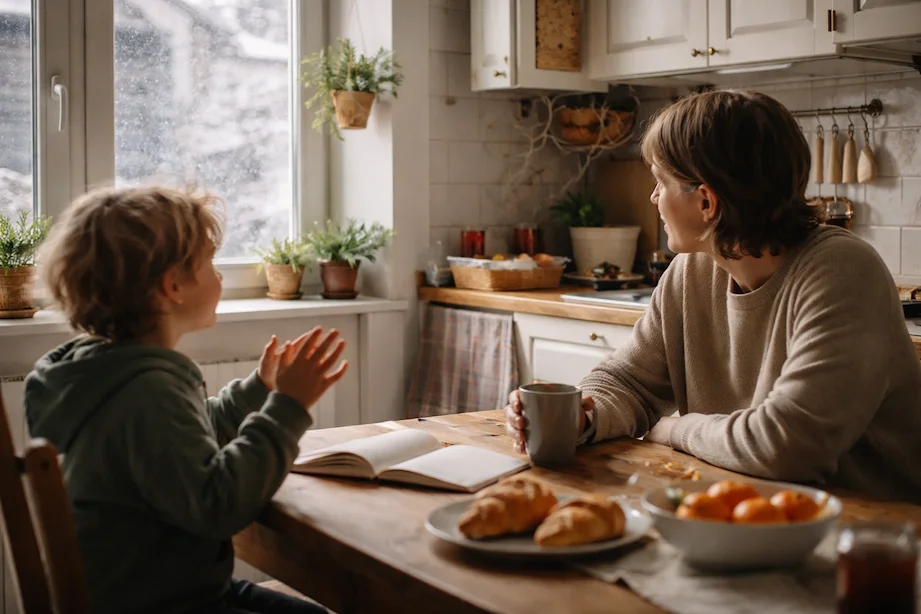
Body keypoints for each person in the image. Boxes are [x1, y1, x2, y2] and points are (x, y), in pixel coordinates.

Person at [506, 89, 921, 503]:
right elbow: (627, 381)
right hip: (740, 510)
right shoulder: (693, 270)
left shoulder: (843, 272)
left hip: (869, 525)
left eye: (660, 182)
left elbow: (787, 446)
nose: (653, 197)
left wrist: (676, 429)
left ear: (706, 202)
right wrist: (582, 416)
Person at [24, 186, 347, 614]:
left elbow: (187, 437)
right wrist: (288, 406)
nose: (219, 276)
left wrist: (259, 389)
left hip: (163, 590)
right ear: (173, 285)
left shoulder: (109, 372)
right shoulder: (145, 392)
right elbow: (219, 505)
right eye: (210, 262)